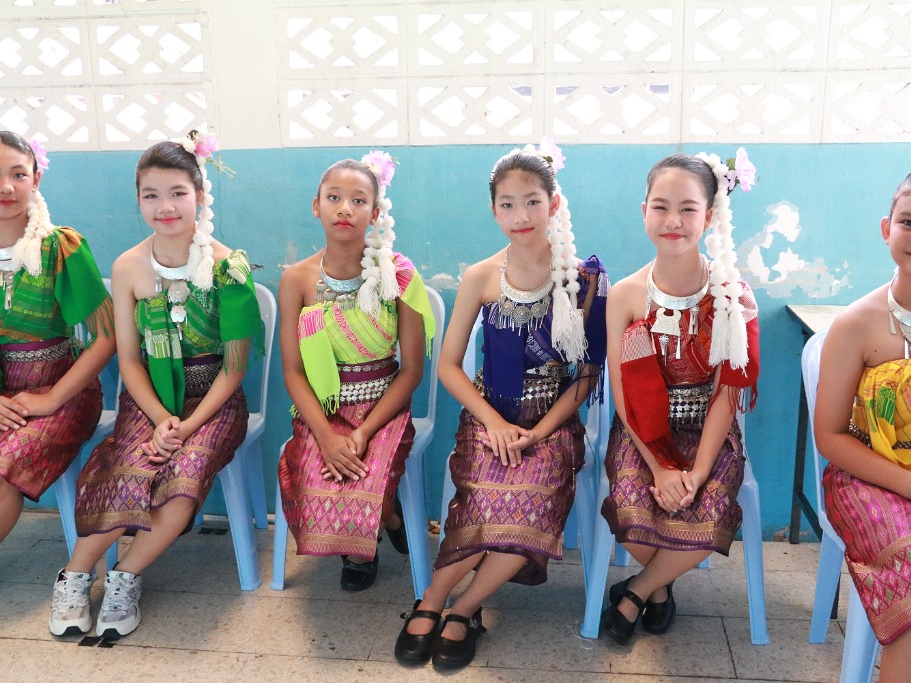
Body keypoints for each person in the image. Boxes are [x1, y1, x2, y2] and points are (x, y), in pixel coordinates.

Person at [394, 141, 608, 672]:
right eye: (507, 204)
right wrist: (492, 422)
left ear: (554, 204)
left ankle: (462, 608)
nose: (521, 215)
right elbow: (448, 367)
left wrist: (539, 433)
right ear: (493, 210)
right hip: (489, 417)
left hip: (552, 424)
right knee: (485, 497)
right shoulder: (481, 277)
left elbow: (587, 376)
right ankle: (430, 600)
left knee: (529, 503)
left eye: (533, 201)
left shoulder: (586, 280)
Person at [47, 130, 262, 639]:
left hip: (213, 404)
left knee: (182, 483)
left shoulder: (229, 268)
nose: (165, 207)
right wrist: (162, 417)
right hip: (147, 402)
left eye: (177, 193)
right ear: (139, 199)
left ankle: (124, 578)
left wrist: (187, 425)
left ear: (200, 195)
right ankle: (74, 577)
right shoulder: (128, 267)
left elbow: (234, 369)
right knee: (125, 470)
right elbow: (128, 358)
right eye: (151, 195)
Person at [0, 130, 114, 613]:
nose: (5, 186)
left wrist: (53, 398)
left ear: (36, 178)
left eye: (18, 174)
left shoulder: (62, 247)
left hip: (66, 390)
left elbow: (107, 336)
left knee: (0, 472)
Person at [599, 152, 760, 645]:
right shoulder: (626, 295)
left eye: (688, 209)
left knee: (708, 510)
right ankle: (660, 590)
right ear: (644, 210)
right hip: (642, 432)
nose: (673, 220)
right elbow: (622, 395)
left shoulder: (733, 295)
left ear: (709, 217)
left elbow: (727, 395)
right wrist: (661, 467)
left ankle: (637, 590)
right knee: (632, 507)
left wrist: (697, 470)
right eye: (661, 207)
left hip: (711, 433)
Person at [814, 163, 911, 683]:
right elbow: (830, 436)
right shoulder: (856, 324)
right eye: (909, 223)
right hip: (870, 477)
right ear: (886, 229)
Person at [278, 151, 434, 592]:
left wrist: (364, 430)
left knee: (363, 475)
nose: (345, 208)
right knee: (319, 476)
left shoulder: (398, 276)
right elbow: (293, 371)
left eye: (359, 200)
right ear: (317, 206)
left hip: (383, 409)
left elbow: (412, 371)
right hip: (323, 410)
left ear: (375, 213)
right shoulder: (297, 280)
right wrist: (327, 437)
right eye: (334, 197)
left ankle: (366, 541)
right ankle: (387, 522)